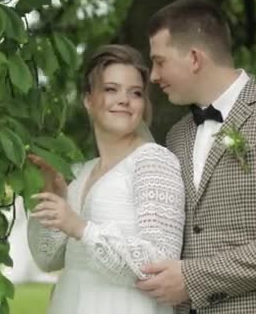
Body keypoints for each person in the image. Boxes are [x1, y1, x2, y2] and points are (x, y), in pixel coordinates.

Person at [135, 0, 256, 313]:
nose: (154, 76)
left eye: (159, 61)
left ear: (195, 58)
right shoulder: (177, 135)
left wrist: (194, 277)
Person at [27, 44, 186, 314]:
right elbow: (47, 259)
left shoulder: (152, 161)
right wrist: (54, 197)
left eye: (135, 93)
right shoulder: (80, 172)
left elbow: (159, 264)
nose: (124, 99)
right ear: (88, 100)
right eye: (111, 89)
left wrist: (81, 228)